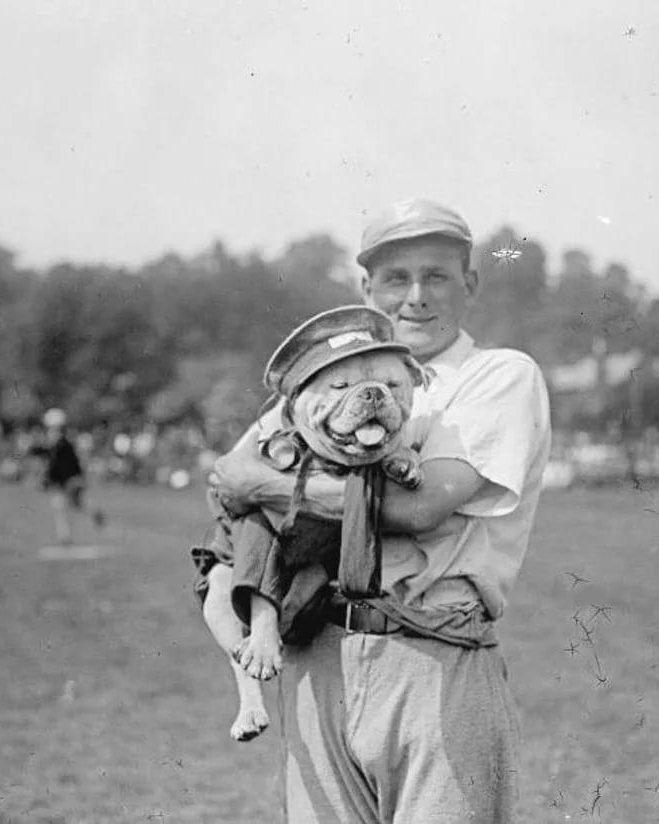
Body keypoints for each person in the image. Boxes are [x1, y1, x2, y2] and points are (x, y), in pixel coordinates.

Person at [210, 197, 552, 822]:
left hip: (432, 654)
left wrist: (272, 490)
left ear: (469, 283)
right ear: (367, 288)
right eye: (397, 278)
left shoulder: (497, 376)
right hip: (316, 653)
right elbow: (227, 477)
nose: (416, 296)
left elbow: (418, 508)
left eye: (438, 276)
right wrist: (250, 487)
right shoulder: (332, 374)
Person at [33, 408, 105, 545]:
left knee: (61, 506)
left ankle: (65, 537)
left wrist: (46, 480)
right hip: (72, 480)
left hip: (69, 481)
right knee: (75, 505)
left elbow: (55, 465)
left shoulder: (60, 444)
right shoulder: (62, 443)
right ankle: (93, 514)